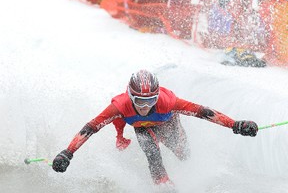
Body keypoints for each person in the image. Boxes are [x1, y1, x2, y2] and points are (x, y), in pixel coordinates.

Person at [52, 69, 258, 185]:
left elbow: (204, 112)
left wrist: (236, 125)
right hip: (142, 129)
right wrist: (67, 153)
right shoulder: (119, 106)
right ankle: (166, 187)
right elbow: (90, 128)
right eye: (140, 102)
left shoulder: (168, 102)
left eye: (150, 101)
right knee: (152, 154)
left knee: (184, 155)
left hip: (168, 123)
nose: (145, 107)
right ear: (130, 97)